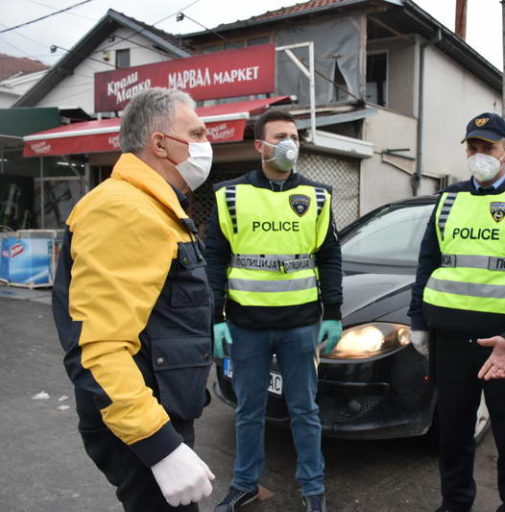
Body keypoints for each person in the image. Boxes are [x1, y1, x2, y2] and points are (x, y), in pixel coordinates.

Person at [52, 88, 216, 511]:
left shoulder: (156, 207)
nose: (207, 144)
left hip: (158, 407)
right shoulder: (124, 208)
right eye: (197, 134)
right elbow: (99, 347)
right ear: (160, 144)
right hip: (140, 421)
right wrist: (159, 446)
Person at [408, 112, 505, 512]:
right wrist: (418, 320)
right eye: (472, 147)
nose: (478, 154)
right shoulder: (449, 199)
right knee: (453, 433)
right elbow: (428, 262)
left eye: (487, 147)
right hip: (450, 338)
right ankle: (454, 503)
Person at [206, 109, 343, 512]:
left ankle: (313, 488)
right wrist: (216, 317)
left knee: (305, 411)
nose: (289, 144)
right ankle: (244, 484)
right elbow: (215, 260)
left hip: (300, 325)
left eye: (295, 137)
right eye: (281, 136)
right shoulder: (229, 195)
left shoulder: (318, 196)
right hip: (246, 325)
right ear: (259, 145)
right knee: (248, 411)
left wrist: (333, 312)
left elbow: (329, 256)